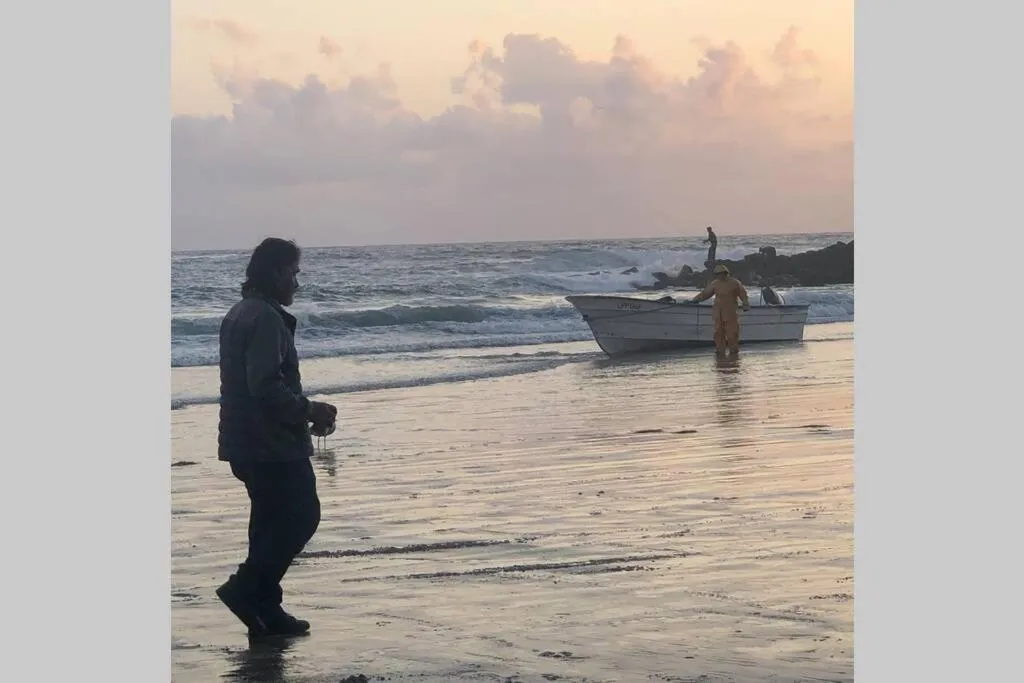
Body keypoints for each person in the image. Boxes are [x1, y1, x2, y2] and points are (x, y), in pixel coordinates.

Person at [215, 237, 338, 638]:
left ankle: (266, 611)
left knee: (267, 524)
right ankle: (246, 589)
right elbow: (265, 386)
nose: (296, 284)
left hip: (243, 441)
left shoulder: (239, 312)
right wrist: (310, 411)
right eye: (292, 274)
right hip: (270, 445)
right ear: (273, 273)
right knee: (302, 515)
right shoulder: (266, 318)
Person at [690, 264, 750, 355]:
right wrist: (694, 300)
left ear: (726, 273)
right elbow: (705, 294)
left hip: (731, 312)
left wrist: (745, 303)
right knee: (718, 333)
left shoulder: (735, 283)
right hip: (718, 312)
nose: (719, 276)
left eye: (721, 273)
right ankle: (720, 351)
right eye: (717, 274)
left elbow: (743, 294)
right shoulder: (715, 284)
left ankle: (733, 352)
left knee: (732, 334)